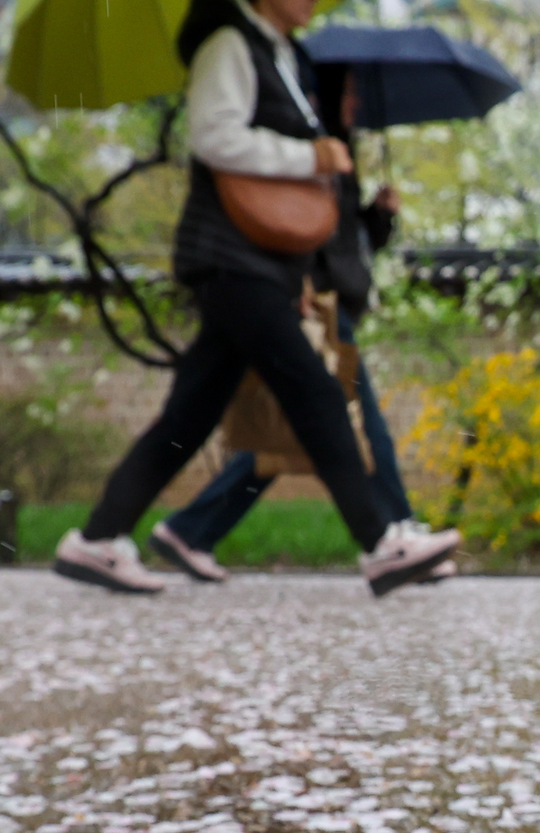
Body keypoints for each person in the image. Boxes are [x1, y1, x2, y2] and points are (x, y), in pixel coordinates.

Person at [53, 0, 458, 598]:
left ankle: (97, 538)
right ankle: (380, 541)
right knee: (317, 393)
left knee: (190, 416)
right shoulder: (228, 47)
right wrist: (310, 154)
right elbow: (213, 139)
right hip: (230, 259)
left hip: (259, 266)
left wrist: (298, 272)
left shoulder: (277, 54)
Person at [150, 65, 427, 584]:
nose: (355, 103)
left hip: (327, 298)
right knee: (357, 423)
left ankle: (190, 530)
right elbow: (293, 226)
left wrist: (380, 217)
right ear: (322, 93)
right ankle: (398, 529)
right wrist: (294, 281)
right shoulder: (307, 153)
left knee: (285, 437)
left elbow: (342, 240)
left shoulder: (338, 157)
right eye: (347, 92)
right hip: (315, 305)